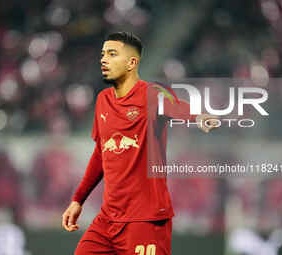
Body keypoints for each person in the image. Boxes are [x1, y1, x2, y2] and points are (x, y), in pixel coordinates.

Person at [62, 31, 217, 254]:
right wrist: (78, 199)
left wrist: (198, 116)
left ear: (131, 62)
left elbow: (175, 104)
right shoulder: (103, 100)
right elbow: (101, 154)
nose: (104, 59)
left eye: (112, 54)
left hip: (146, 220)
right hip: (109, 219)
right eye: (103, 54)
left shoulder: (151, 95)